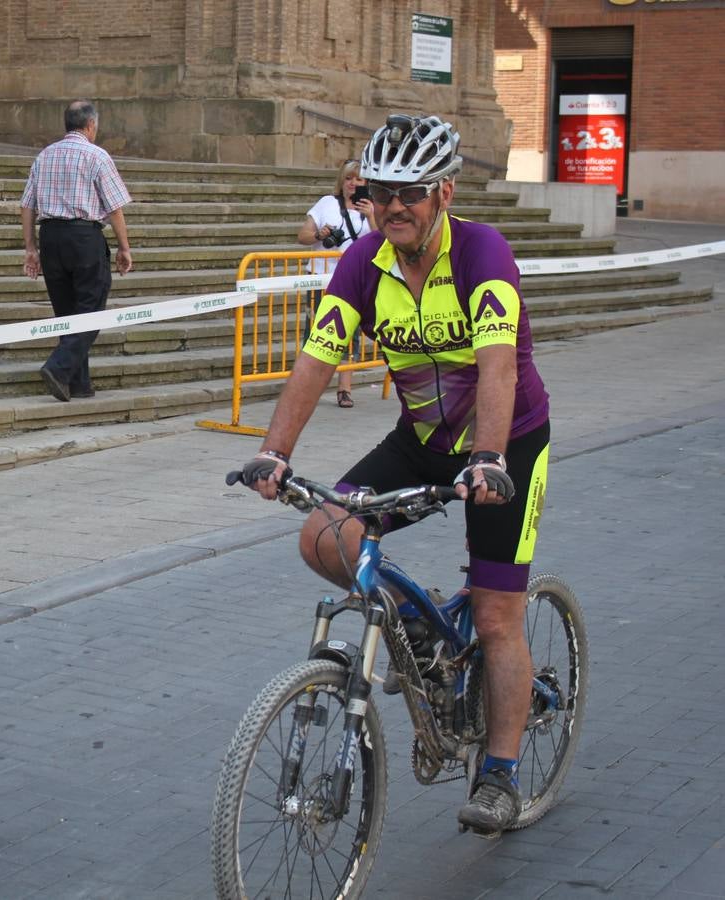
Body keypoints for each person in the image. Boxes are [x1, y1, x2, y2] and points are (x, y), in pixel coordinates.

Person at [237, 114, 551, 838]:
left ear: (443, 192)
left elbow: (498, 367)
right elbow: (317, 358)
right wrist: (275, 452)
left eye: (410, 193)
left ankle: (499, 774)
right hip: (420, 439)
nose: (393, 207)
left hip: (507, 446)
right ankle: (421, 623)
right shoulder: (364, 261)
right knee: (323, 535)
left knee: (501, 617)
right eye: (380, 192)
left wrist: (491, 458)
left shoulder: (483, 253)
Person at [20, 100, 133, 401]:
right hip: (84, 238)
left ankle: (79, 383)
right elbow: (115, 207)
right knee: (92, 309)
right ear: (91, 125)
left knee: (68, 313)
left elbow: (27, 205)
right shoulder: (96, 155)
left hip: (51, 237)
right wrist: (124, 248)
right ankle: (59, 367)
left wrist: (31, 248)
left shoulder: (44, 156)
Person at [296, 158, 376, 407]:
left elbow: (382, 241)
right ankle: (306, 387)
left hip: (354, 282)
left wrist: (371, 216)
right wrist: (319, 235)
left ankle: (345, 389)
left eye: (358, 179)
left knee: (350, 335)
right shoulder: (327, 204)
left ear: (366, 183)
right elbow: (303, 236)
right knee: (315, 334)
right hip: (322, 280)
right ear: (341, 182)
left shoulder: (372, 209)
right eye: (348, 179)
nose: (353, 184)